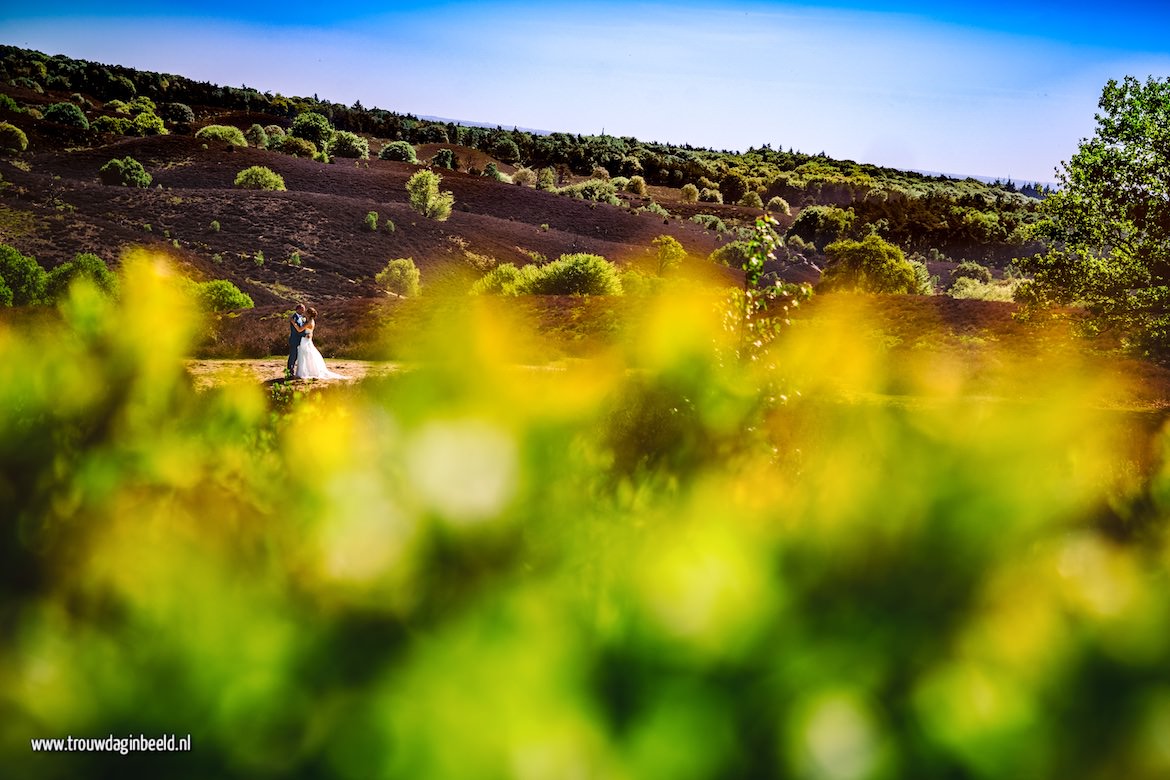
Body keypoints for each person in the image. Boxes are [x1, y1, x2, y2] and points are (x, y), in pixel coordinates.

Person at [295, 307, 347, 380]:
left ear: (309, 314)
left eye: (307, 312)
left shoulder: (309, 322)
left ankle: (306, 372)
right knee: (306, 354)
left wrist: (293, 323)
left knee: (305, 354)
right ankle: (306, 371)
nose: (305, 313)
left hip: (305, 340)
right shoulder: (310, 321)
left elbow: (300, 329)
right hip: (306, 339)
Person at [286, 303, 307, 379]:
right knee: (293, 356)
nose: (304, 310)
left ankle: (294, 371)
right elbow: (297, 330)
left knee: (298, 356)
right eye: (302, 309)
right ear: (298, 309)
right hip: (294, 340)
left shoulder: (302, 318)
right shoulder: (294, 318)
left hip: (300, 340)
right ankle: (290, 371)